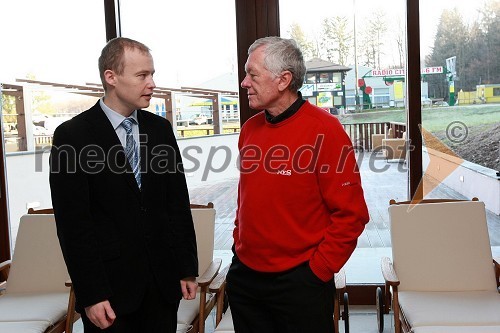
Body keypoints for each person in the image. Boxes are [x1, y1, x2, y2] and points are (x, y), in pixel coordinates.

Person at [49, 37, 198, 333]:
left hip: (163, 286)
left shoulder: (160, 130)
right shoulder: (72, 136)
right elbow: (74, 224)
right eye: (143, 75)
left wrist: (186, 269)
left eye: (152, 74)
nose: (152, 83)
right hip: (110, 292)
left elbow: (177, 204)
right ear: (111, 77)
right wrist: (91, 294)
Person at [226, 36, 370, 332]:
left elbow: (352, 215)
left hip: (300, 283)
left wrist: (318, 271)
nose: (244, 83)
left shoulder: (326, 131)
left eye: (252, 74)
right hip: (246, 278)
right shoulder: (250, 130)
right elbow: (247, 199)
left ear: (284, 80)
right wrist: (237, 246)